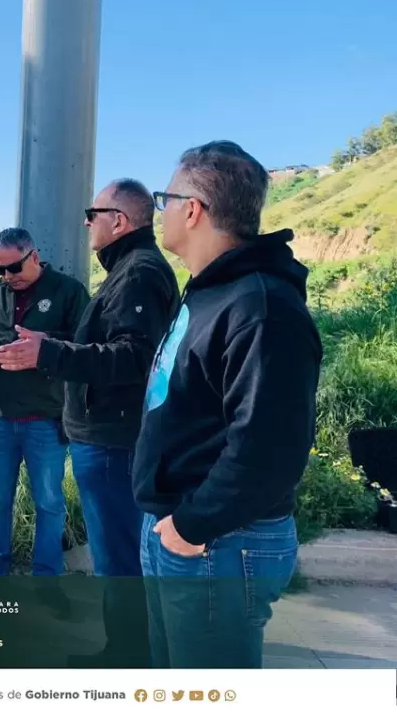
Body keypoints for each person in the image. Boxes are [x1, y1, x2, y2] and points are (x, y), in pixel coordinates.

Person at [134, 141, 322, 668]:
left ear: (192, 209)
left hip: (219, 542)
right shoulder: (207, 291)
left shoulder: (260, 306)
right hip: (185, 530)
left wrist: (192, 526)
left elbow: (269, 450)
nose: (160, 210)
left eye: (164, 198)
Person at [0, 179, 179, 666]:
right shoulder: (129, 270)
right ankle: (131, 649)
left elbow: (133, 357)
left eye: (91, 213)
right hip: (108, 438)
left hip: (114, 442)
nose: (85, 222)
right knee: (119, 554)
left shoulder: (138, 274)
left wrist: (48, 351)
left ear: (117, 221)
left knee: (119, 558)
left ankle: (126, 657)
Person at [0, 228, 88, 577]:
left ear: (34, 256)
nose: (7, 277)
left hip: (45, 417)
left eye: (14, 268)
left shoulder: (68, 291)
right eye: (0, 269)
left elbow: (89, 343)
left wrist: (47, 343)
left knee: (49, 503)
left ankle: (46, 578)